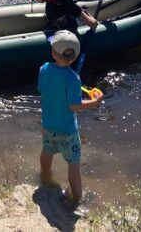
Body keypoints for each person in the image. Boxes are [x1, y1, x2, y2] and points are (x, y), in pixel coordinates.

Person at [38, 30, 104, 208]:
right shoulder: (74, 78)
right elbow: (74, 105)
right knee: (74, 163)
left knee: (47, 150)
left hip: (48, 125)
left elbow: (42, 89)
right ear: (74, 57)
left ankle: (45, 175)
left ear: (53, 52)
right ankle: (76, 199)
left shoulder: (43, 69)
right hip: (68, 131)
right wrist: (95, 102)